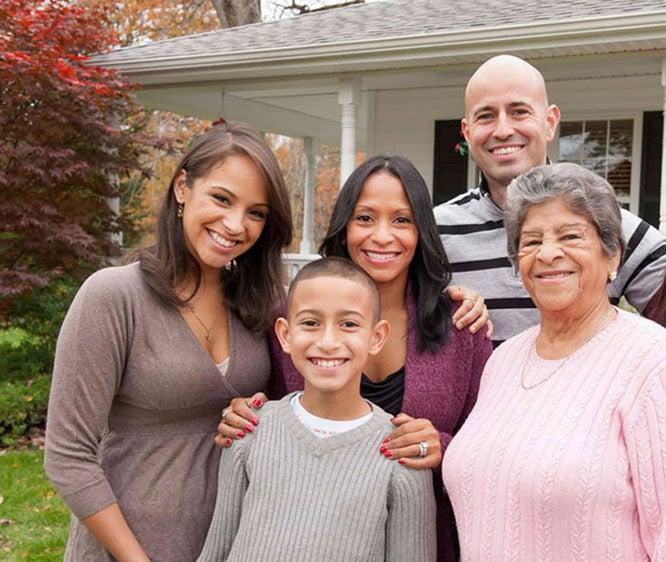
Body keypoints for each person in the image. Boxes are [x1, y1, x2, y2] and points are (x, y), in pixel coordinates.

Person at [218, 155, 493, 561]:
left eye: (401, 220)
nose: (382, 236)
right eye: (365, 218)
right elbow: (278, 419)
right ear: (344, 226)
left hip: (424, 539)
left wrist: (443, 447)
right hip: (309, 537)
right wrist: (244, 413)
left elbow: (491, 444)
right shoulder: (293, 323)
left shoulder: (461, 327)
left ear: (422, 231)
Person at [44, 121, 293, 561]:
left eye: (256, 212)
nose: (235, 224)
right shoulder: (114, 296)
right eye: (221, 198)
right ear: (182, 187)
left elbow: (323, 372)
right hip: (128, 548)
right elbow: (67, 456)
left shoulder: (262, 304)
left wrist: (450, 299)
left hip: (231, 543)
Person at [442, 163, 666, 561]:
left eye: (570, 235)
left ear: (613, 254)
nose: (547, 253)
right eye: (530, 241)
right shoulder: (503, 360)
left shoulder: (651, 362)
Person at [197, 257, 436, 561]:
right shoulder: (249, 430)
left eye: (348, 324)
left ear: (376, 338)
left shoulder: (400, 453)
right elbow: (217, 550)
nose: (328, 342)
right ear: (285, 334)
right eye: (310, 323)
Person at [434, 54, 666, 347]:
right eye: (486, 116)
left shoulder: (607, 225)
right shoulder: (436, 232)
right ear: (468, 132)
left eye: (519, 111)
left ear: (549, 122)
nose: (503, 130)